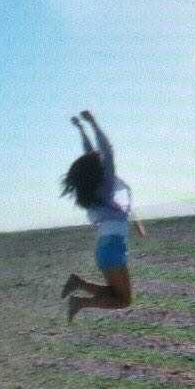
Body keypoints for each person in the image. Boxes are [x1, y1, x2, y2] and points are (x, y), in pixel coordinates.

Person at [60, 109, 146, 322]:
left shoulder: (91, 189)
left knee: (118, 295)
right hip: (112, 248)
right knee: (123, 300)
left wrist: (82, 129)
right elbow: (106, 149)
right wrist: (93, 123)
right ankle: (80, 300)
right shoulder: (105, 184)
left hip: (106, 248)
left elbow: (92, 153)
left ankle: (78, 284)